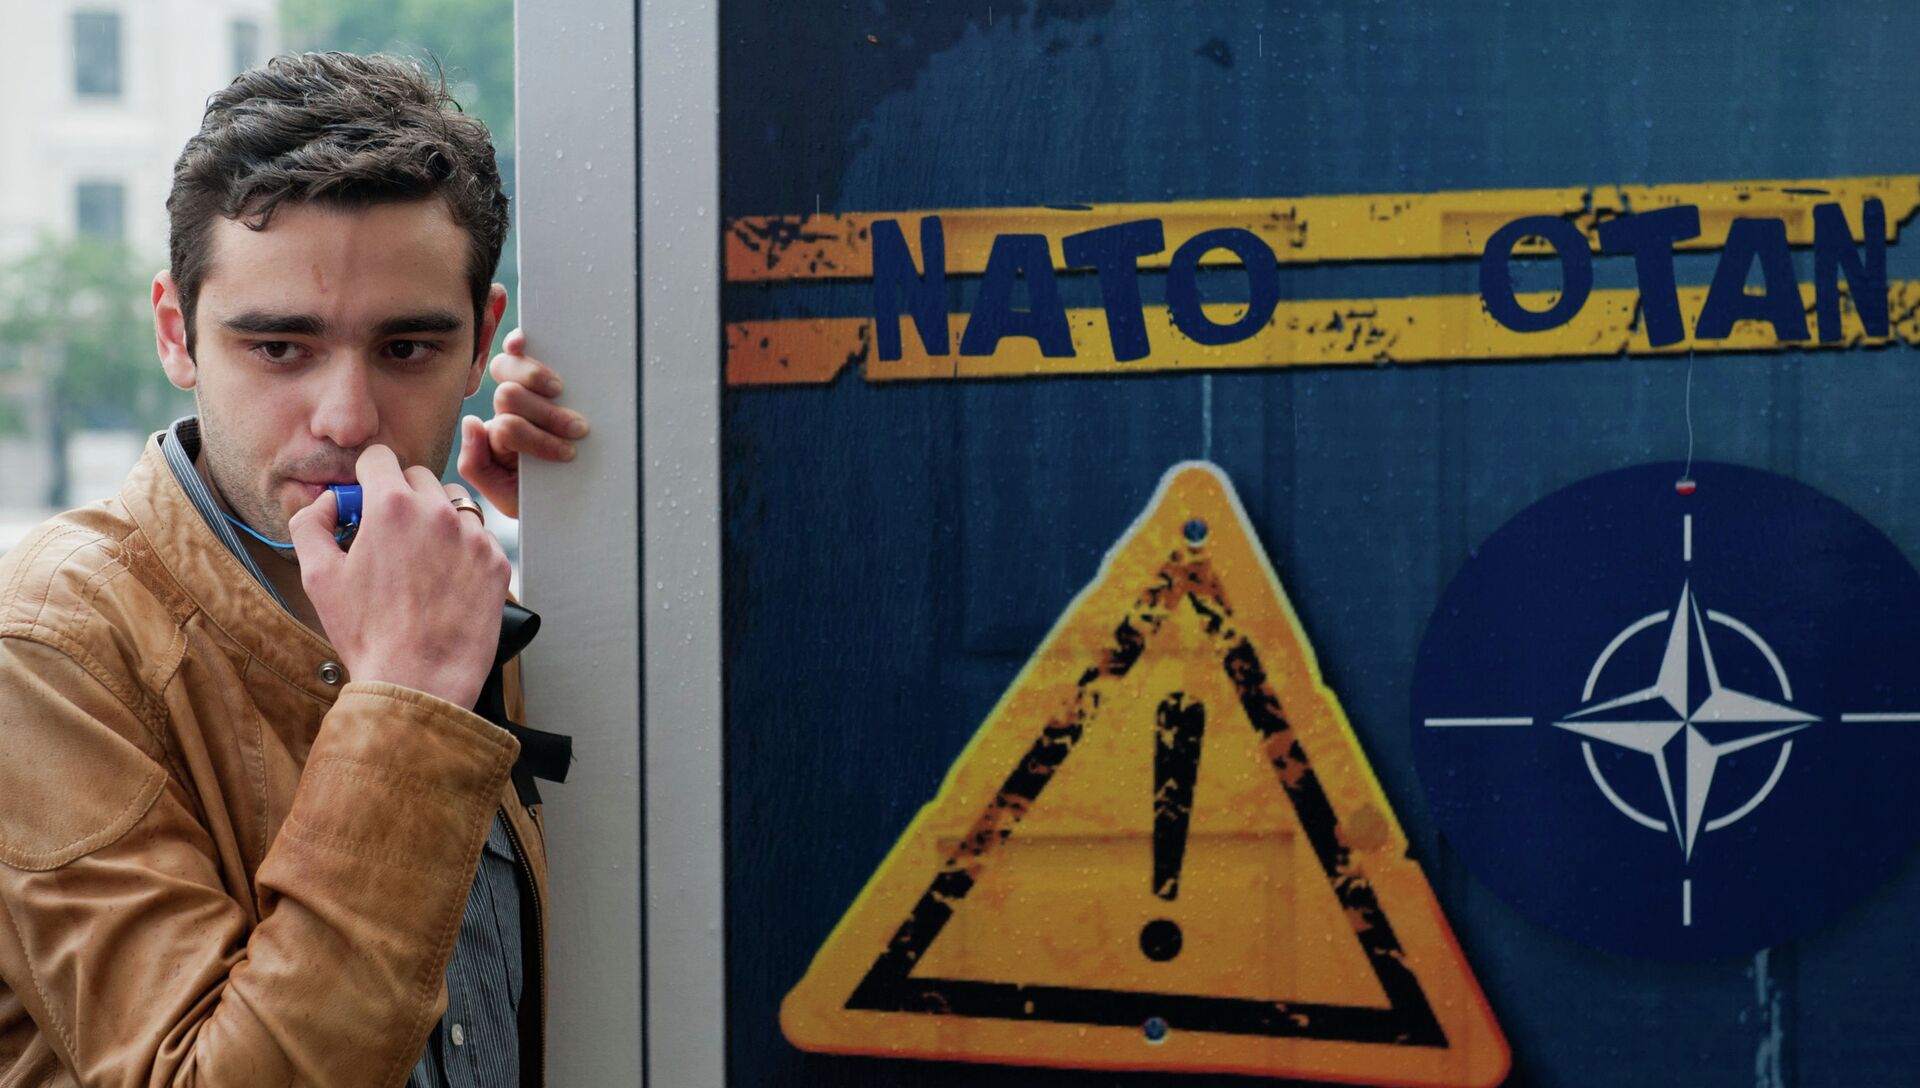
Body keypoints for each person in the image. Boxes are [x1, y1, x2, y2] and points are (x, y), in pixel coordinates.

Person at [0, 53, 588, 1086]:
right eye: (280, 348)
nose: (348, 420)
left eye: (407, 348)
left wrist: (586, 534)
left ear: (482, 341)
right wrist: (407, 706)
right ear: (177, 334)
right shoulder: (52, 646)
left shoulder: (464, 584)